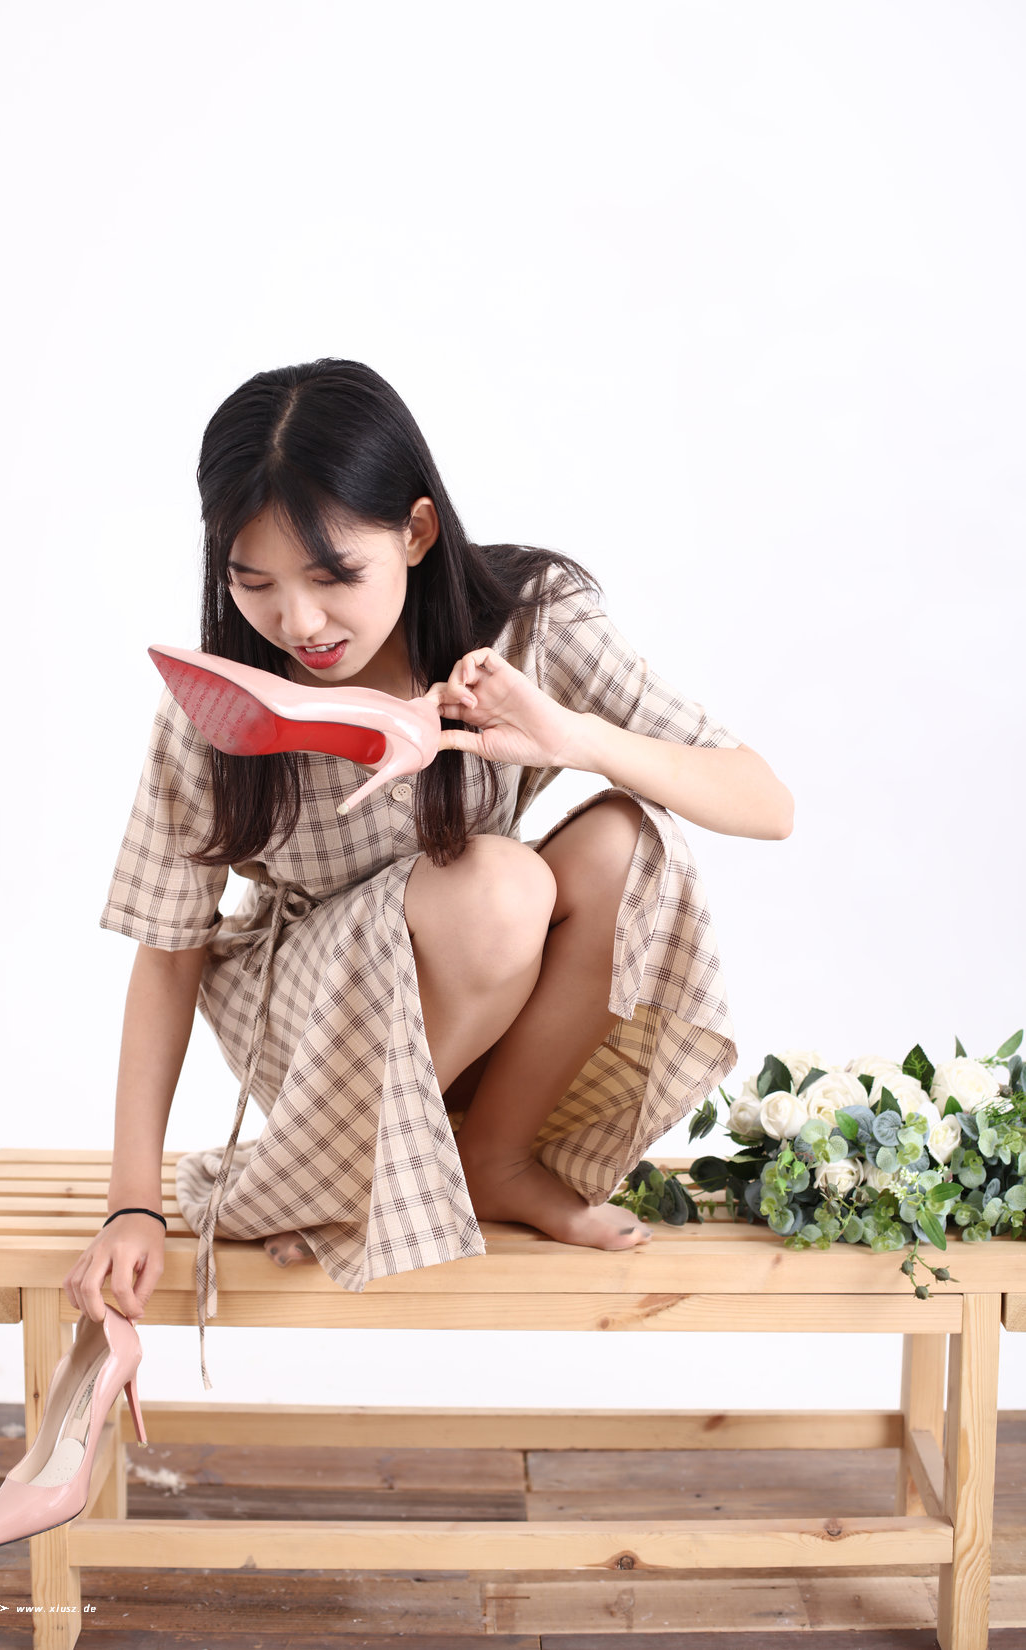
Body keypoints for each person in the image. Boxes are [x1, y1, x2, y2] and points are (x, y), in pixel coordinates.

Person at [64, 358, 793, 1388]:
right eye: (253, 583)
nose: (299, 624)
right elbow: (168, 950)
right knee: (499, 887)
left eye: (333, 576)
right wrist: (132, 1203)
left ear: (414, 532)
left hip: (485, 1006)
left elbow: (765, 802)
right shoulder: (219, 703)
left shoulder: (529, 621)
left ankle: (491, 1158)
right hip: (312, 1023)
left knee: (624, 842)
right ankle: (332, 1171)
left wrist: (572, 736)